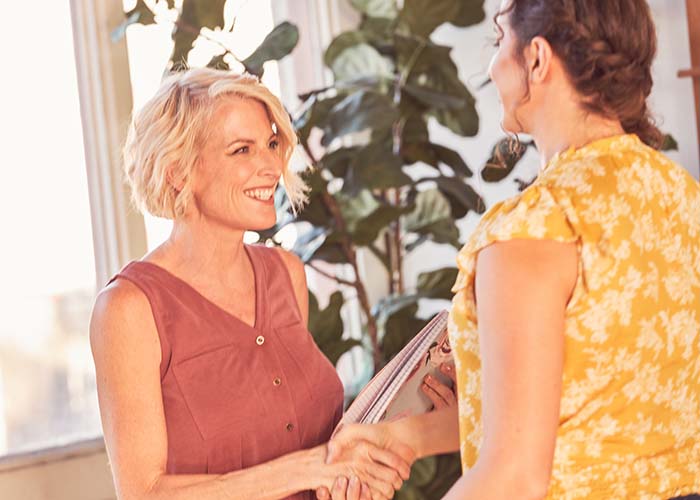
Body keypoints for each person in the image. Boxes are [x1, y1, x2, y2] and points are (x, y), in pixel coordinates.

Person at [325, 1, 700, 498]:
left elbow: (513, 479)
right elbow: (591, 404)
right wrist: (407, 437)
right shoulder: (680, 195)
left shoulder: (535, 226)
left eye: (499, 40)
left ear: (538, 59)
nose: (492, 65)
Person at [89, 68, 412, 500]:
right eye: (242, 150)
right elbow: (145, 493)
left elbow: (312, 445)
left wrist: (360, 469)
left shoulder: (286, 273)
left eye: (271, 145)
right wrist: (309, 469)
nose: (271, 166)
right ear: (178, 173)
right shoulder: (129, 309)